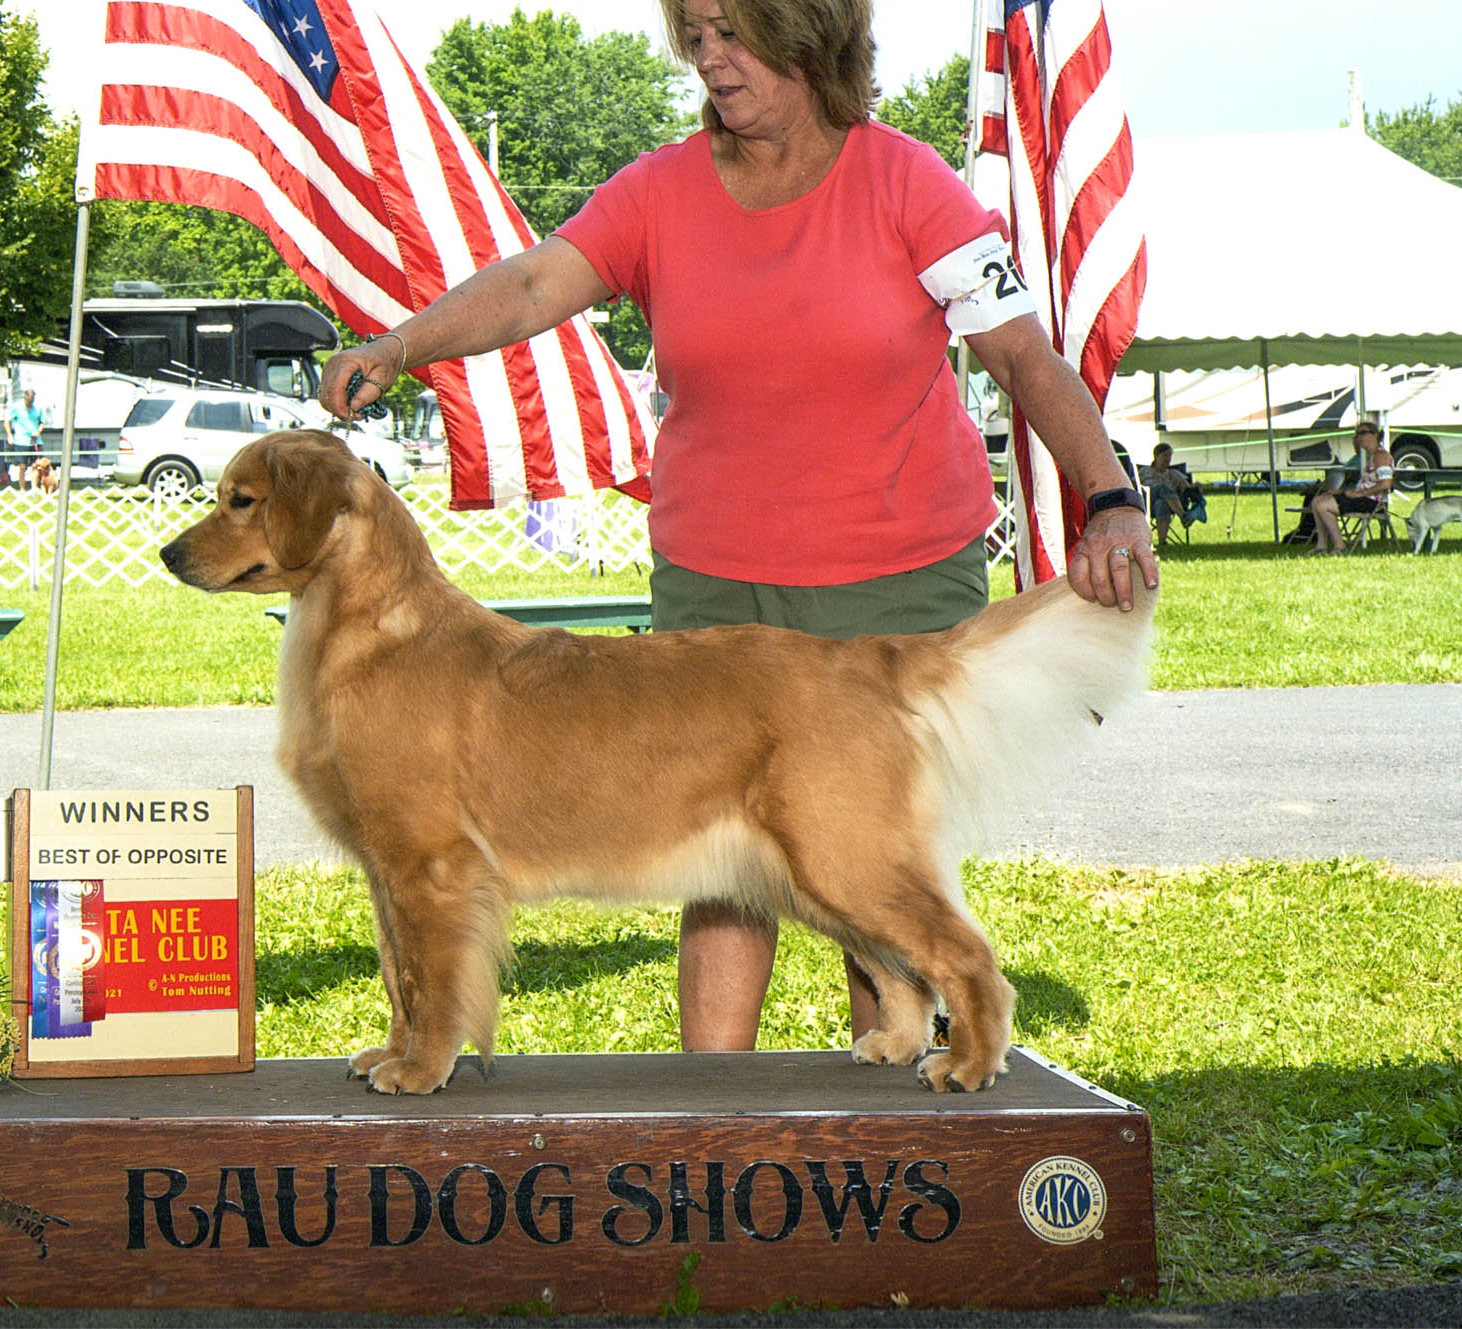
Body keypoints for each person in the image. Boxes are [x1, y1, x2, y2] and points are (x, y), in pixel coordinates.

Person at [318, 0, 1154, 1055]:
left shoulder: (906, 183)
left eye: (731, 33)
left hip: (890, 574)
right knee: (709, 864)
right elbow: (533, 284)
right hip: (714, 580)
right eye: (696, 37)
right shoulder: (659, 190)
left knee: (852, 857)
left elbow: (1024, 358)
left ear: (805, 34)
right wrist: (402, 343)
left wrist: (1110, 496)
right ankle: (707, 1119)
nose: (711, 59)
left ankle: (892, 1110)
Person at [1310, 420, 1394, 553]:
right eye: (1357, 434)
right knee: (1317, 501)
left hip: (1371, 501)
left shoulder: (1381, 456)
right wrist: (1340, 492)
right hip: (1361, 497)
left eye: (1363, 433)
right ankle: (1322, 546)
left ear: (1375, 435)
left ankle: (1340, 546)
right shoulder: (1369, 456)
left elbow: (1386, 483)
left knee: (1323, 505)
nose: (1359, 437)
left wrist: (1359, 494)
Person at [1139, 442, 1204, 550]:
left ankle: (1162, 542)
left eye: (1170, 456)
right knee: (1161, 488)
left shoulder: (1174, 473)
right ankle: (1184, 516)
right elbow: (1131, 485)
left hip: (1166, 505)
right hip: (1147, 502)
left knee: (1161, 504)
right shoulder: (1144, 471)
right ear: (1156, 456)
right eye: (1165, 455)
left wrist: (1196, 487)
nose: (1168, 459)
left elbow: (1187, 488)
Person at [6, 389, 46, 491]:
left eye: (32, 401)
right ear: (24, 398)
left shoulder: (38, 408)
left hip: (35, 441)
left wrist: (38, 432)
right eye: (28, 401)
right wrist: (10, 435)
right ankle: (22, 488)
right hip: (21, 441)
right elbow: (7, 421)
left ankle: (34, 488)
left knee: (35, 465)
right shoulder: (16, 407)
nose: (30, 403)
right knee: (22, 466)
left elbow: (42, 422)